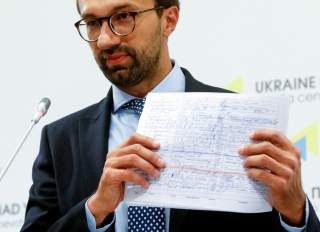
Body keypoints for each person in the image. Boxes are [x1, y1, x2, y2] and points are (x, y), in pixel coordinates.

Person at [21, 0, 320, 231]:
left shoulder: (241, 120)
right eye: (92, 23)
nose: (105, 40)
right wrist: (95, 209)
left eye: (123, 16)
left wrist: (295, 212)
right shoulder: (59, 139)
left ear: (169, 19)